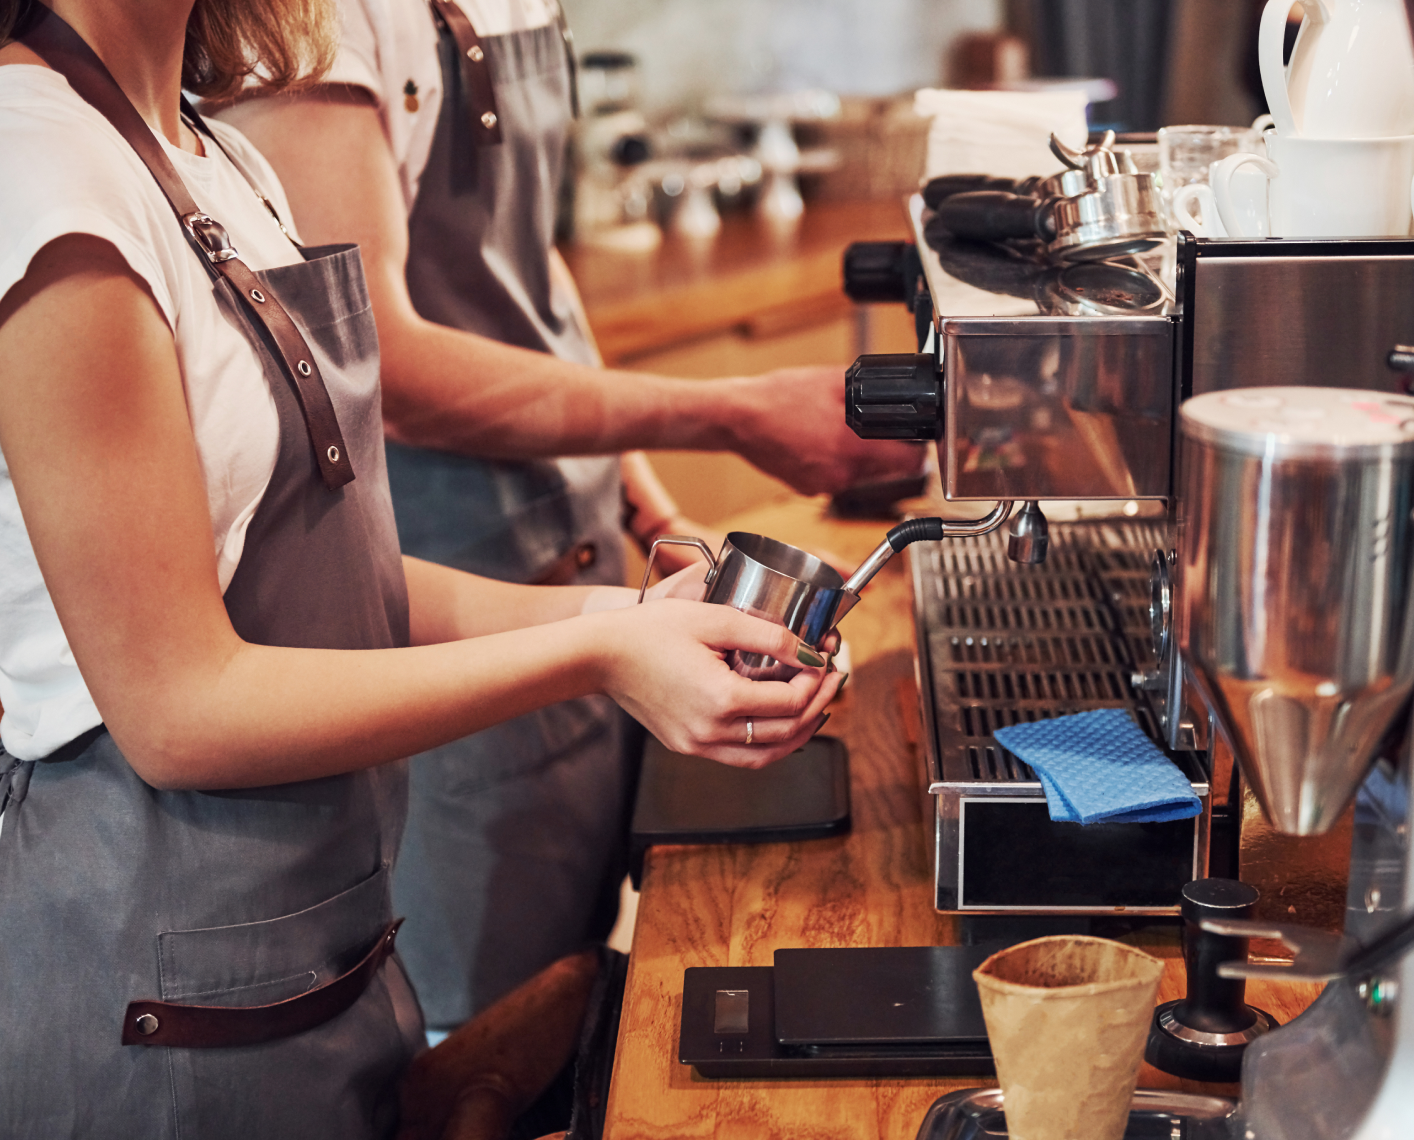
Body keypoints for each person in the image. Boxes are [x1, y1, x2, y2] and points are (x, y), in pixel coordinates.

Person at [0, 0, 841, 1134]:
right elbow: (177, 706)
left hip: (313, 971)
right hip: (160, 1018)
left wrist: (629, 612)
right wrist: (597, 653)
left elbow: (340, 581)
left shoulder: (210, 151)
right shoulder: (39, 174)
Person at [211, 0, 919, 1034]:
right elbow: (383, 366)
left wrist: (643, 502)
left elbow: (528, 274)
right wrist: (724, 412)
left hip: (573, 568)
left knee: (584, 1000)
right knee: (484, 1036)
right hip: (450, 595)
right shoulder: (317, 22)